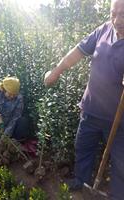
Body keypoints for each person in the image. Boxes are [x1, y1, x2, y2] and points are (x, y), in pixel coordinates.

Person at [44, 0, 124, 199]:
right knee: (83, 148)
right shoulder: (104, 30)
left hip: (118, 120)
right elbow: (78, 51)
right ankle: (81, 182)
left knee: (121, 161)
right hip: (91, 110)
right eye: (113, 13)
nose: (117, 20)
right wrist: (56, 71)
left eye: (123, 14)